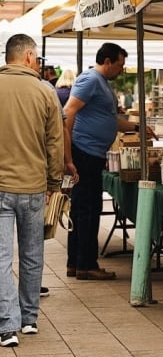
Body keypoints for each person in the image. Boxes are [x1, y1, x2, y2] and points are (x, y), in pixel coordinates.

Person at [63, 42, 155, 281]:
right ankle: (86, 264)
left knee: (83, 208)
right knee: (88, 209)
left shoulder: (101, 84)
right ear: (107, 62)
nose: (121, 71)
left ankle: (76, 262)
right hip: (84, 153)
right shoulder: (91, 79)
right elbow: (68, 113)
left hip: (92, 154)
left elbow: (111, 120)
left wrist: (137, 127)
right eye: (120, 65)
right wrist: (68, 155)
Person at [0, 34, 63, 346]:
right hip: (34, 187)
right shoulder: (45, 91)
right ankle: (29, 319)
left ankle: (6, 326)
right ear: (26, 57)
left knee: (0, 258)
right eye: (36, 58)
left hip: (0, 187)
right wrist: (54, 183)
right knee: (32, 254)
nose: (38, 64)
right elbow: (55, 142)